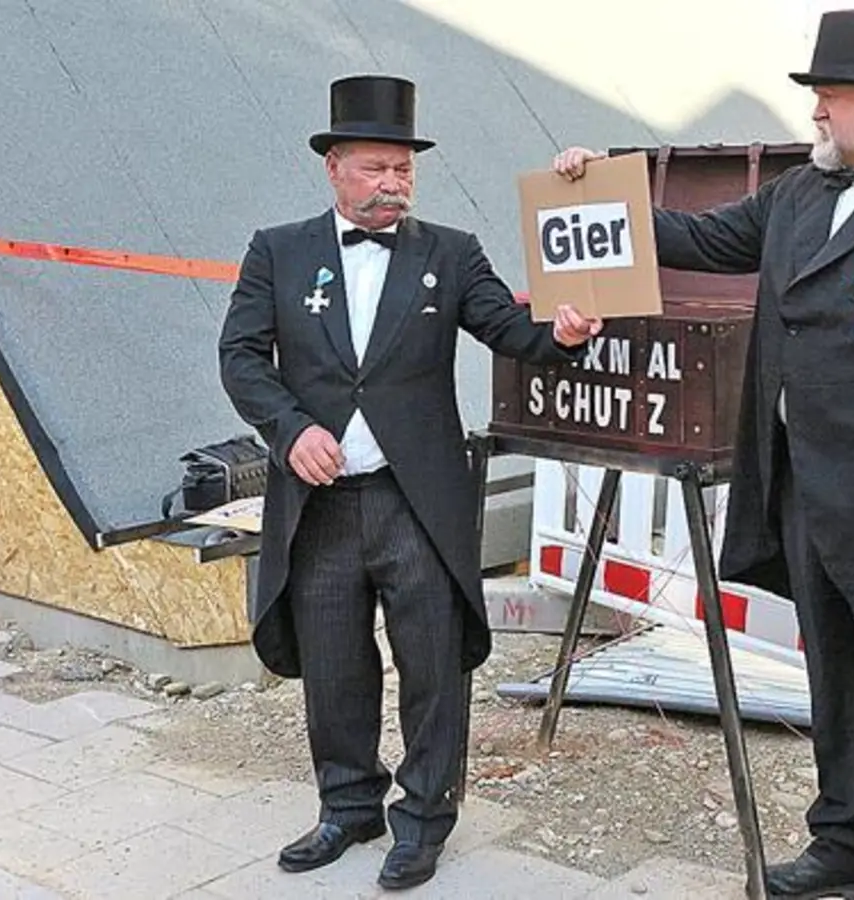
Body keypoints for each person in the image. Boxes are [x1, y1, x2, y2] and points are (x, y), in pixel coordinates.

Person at [553, 9, 854, 899]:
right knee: (835, 675)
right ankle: (847, 840)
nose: (814, 114)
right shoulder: (798, 194)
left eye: (830, 98)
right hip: (805, 483)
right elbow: (699, 240)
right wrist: (601, 190)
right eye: (814, 96)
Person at [219, 74, 601, 891]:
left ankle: (423, 820)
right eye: (374, 169)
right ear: (333, 168)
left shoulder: (450, 253)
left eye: (404, 170)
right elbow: (241, 359)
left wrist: (563, 334)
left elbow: (511, 330)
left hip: (417, 500)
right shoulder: (277, 251)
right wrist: (290, 433)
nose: (392, 184)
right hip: (319, 503)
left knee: (433, 667)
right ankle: (347, 805)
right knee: (333, 664)